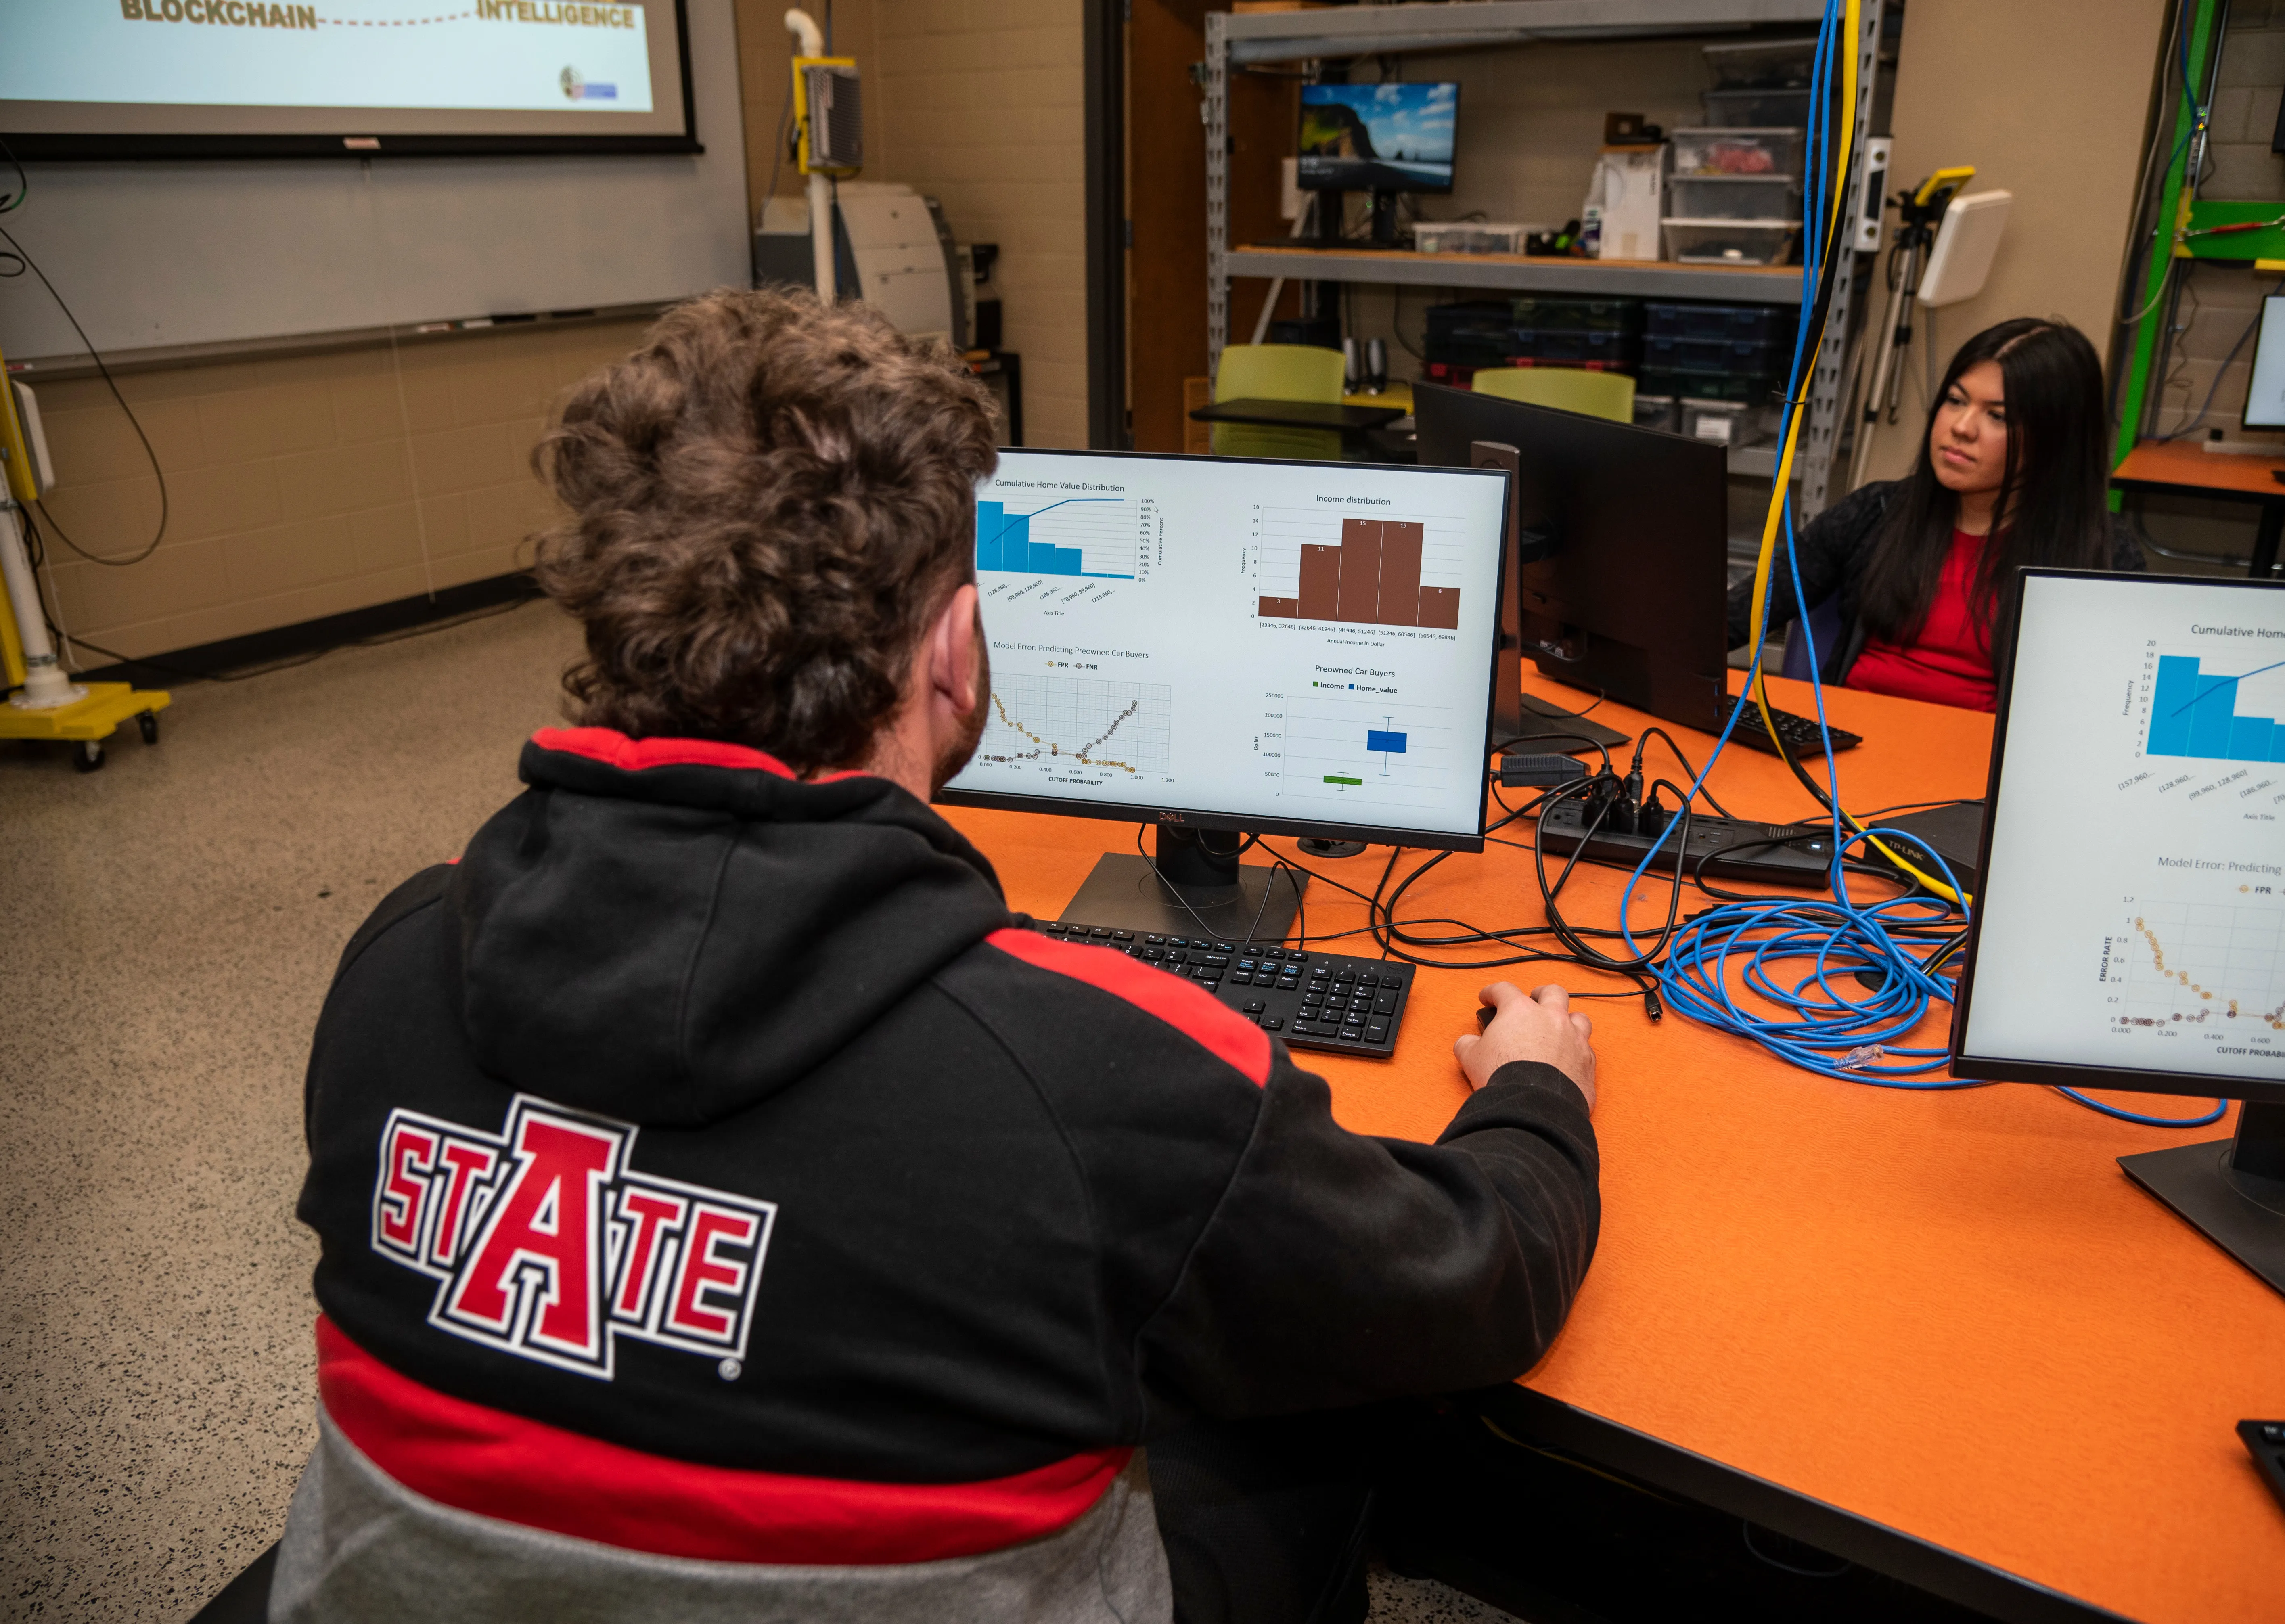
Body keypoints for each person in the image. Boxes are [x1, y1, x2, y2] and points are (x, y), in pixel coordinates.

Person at [267, 289, 1603, 1624]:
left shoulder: (394, 958)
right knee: (1304, 1415)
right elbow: (1467, 1287)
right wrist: (1535, 1094)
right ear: (958, 651)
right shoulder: (1104, 1072)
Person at [1726, 316, 2143, 712]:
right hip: (1843, 755)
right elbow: (1740, 612)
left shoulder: (2100, 554)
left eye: (1997, 416)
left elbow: (2110, 712)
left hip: (1978, 773)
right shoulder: (1877, 511)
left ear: (2056, 440)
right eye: (1956, 400)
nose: (1961, 427)